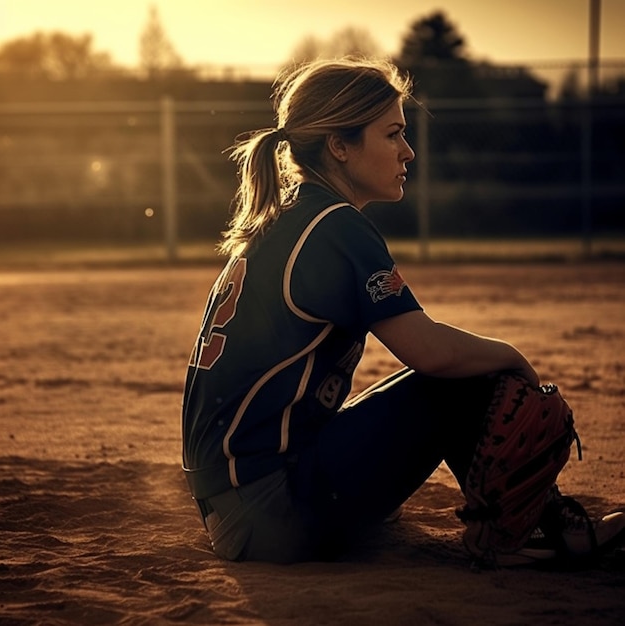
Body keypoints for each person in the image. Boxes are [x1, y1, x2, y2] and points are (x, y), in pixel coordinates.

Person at [181, 57, 624, 565]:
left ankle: (523, 519)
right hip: (272, 514)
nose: (407, 151)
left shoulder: (293, 215)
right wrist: (511, 356)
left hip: (236, 506)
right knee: (464, 378)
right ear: (339, 146)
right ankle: (537, 529)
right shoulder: (335, 225)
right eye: (392, 134)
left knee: (444, 377)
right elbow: (432, 353)